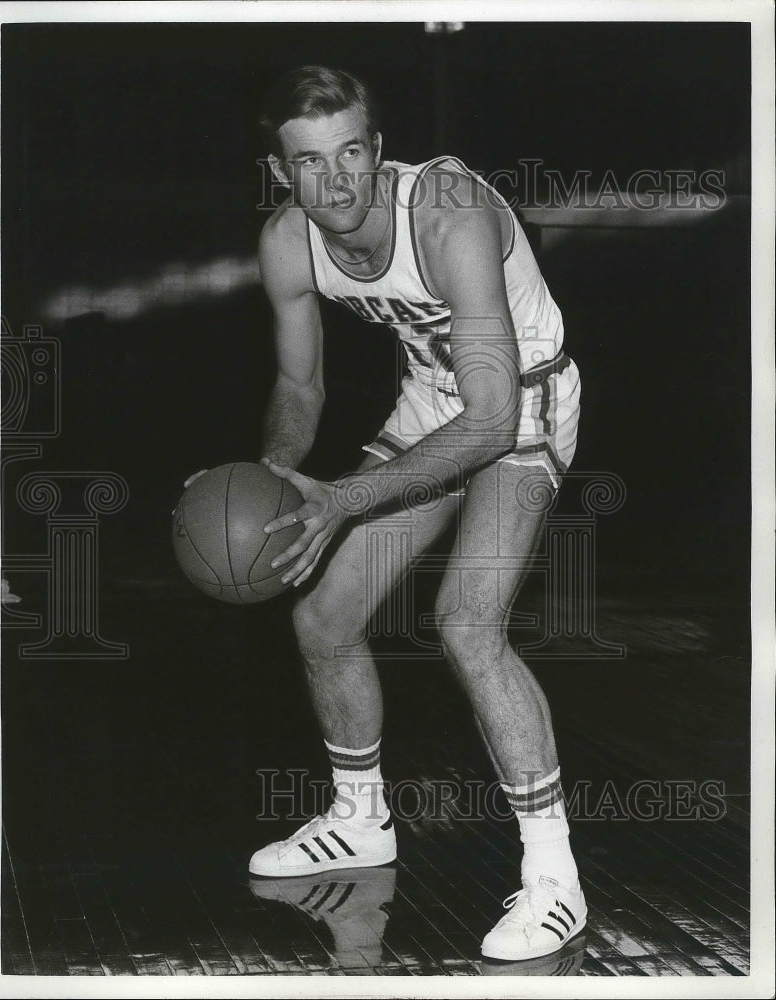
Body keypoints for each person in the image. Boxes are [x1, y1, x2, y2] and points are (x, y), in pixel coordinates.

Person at [247, 65, 585, 962]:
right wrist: (275, 477)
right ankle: (359, 822)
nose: (337, 180)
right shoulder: (288, 242)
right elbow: (297, 383)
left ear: (378, 151)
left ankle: (555, 879)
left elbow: (488, 417)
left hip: (521, 402)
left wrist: (347, 496)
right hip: (436, 399)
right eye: (311, 163)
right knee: (323, 616)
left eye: (352, 152)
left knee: (467, 626)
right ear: (283, 174)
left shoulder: (445, 212)